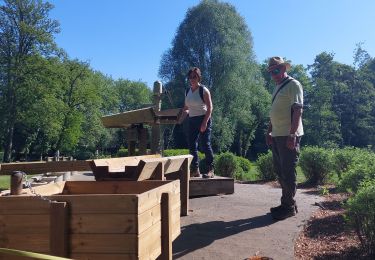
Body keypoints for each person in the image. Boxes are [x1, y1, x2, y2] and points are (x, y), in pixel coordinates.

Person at [266, 56, 304, 220]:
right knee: (280, 171)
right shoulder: (277, 87)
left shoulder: (293, 85)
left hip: (287, 135)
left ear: (284, 69)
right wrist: (269, 131)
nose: (274, 74)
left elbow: (297, 110)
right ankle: (287, 203)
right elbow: (274, 112)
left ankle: (288, 206)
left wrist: (292, 134)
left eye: (277, 70)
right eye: (272, 71)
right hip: (277, 135)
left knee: (288, 172)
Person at [183, 67, 214, 178]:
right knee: (192, 146)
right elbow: (186, 107)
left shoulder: (203, 90)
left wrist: (205, 122)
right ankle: (195, 169)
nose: (192, 79)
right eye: (190, 77)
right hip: (191, 120)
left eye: (194, 76)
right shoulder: (187, 91)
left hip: (203, 118)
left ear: (199, 77)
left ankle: (211, 169)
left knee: (205, 145)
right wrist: (181, 115)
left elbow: (210, 108)